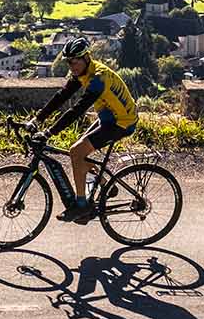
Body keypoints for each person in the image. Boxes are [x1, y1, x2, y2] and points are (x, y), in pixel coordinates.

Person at [30, 36, 137, 223]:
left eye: (74, 62)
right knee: (78, 152)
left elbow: (77, 110)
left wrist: (49, 132)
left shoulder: (98, 78)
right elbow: (62, 96)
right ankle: (105, 183)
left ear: (86, 58)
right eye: (68, 62)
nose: (71, 66)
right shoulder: (84, 73)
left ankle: (81, 206)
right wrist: (37, 119)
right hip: (108, 117)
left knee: (76, 152)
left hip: (122, 122)